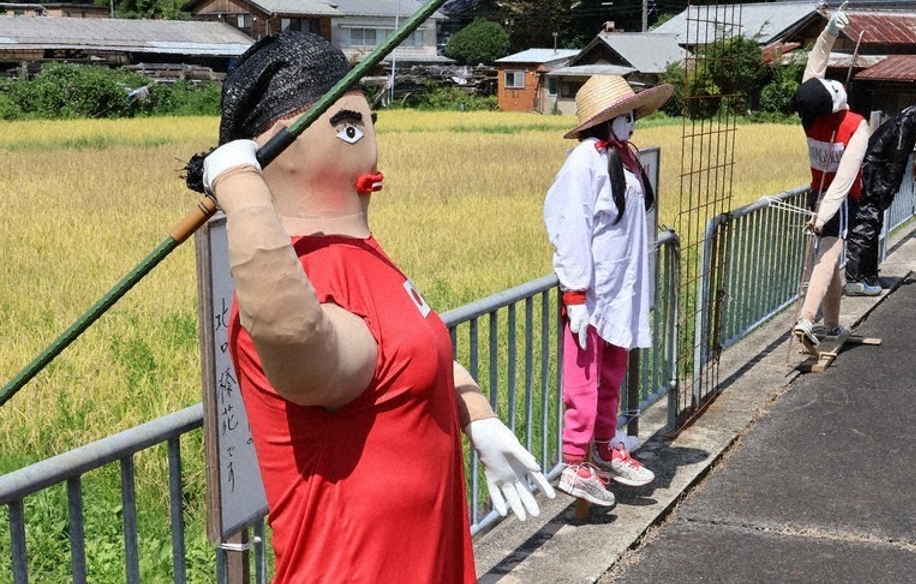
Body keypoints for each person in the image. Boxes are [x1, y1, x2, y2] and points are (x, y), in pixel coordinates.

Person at [183, 31, 553, 583]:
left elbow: (405, 351)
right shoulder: (304, 276)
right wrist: (241, 190)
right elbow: (305, 349)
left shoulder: (362, 254)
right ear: (271, 150)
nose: (366, 140)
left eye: (364, 123)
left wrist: (477, 416)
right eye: (347, 126)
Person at [543, 74, 673, 507]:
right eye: (625, 116)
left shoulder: (626, 159)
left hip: (622, 288)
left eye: (633, 115)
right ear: (605, 121)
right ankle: (574, 460)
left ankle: (604, 445)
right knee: (584, 377)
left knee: (612, 373)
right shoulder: (584, 160)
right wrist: (575, 293)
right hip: (593, 290)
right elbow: (570, 225)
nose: (632, 124)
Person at [789, 5, 868, 352]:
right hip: (840, 202)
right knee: (825, 259)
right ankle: (807, 320)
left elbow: (814, 67)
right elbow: (844, 178)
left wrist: (830, 33)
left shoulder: (809, 118)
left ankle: (832, 325)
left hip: (816, 196)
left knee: (828, 260)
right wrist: (824, 218)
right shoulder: (856, 126)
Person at [843, 82, 916, 296]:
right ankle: (855, 278)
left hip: (873, 169)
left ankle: (868, 275)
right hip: (875, 173)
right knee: (867, 223)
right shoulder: (909, 122)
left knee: (873, 223)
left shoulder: (907, 113)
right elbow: (899, 157)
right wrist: (890, 186)